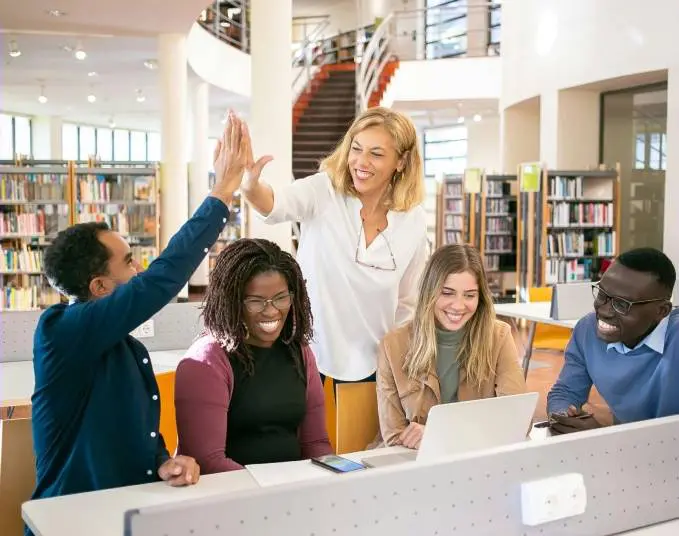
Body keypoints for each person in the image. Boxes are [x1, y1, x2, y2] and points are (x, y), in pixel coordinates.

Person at [27, 111, 248, 528]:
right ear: (99, 288)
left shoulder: (126, 347)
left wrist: (161, 462)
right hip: (70, 522)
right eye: (129, 262)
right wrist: (223, 190)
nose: (139, 270)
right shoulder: (60, 332)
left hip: (126, 514)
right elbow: (161, 279)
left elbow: (127, 431)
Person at [239, 106, 429, 387]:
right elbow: (276, 204)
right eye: (356, 148)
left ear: (400, 162)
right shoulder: (324, 191)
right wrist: (250, 187)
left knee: (359, 433)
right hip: (307, 356)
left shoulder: (412, 219)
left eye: (376, 154)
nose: (361, 162)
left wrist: (396, 361)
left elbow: (409, 302)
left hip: (374, 365)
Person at [174, 238, 332, 472]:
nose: (271, 311)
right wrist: (273, 492)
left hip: (291, 492)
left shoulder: (299, 351)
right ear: (232, 302)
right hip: (233, 497)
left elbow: (316, 443)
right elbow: (208, 462)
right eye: (256, 302)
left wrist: (337, 476)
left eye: (280, 298)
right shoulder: (206, 361)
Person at [376, 244, 527, 448]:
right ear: (430, 292)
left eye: (469, 295)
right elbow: (394, 436)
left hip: (478, 460)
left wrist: (440, 436)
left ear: (480, 297)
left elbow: (518, 420)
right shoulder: (393, 345)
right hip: (414, 463)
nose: (458, 305)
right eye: (447, 293)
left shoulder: (499, 336)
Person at [547, 247, 679, 434]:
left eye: (622, 304)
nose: (605, 311)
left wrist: (604, 437)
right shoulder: (587, 329)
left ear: (661, 311)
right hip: (626, 454)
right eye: (602, 295)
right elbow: (565, 392)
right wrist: (565, 416)